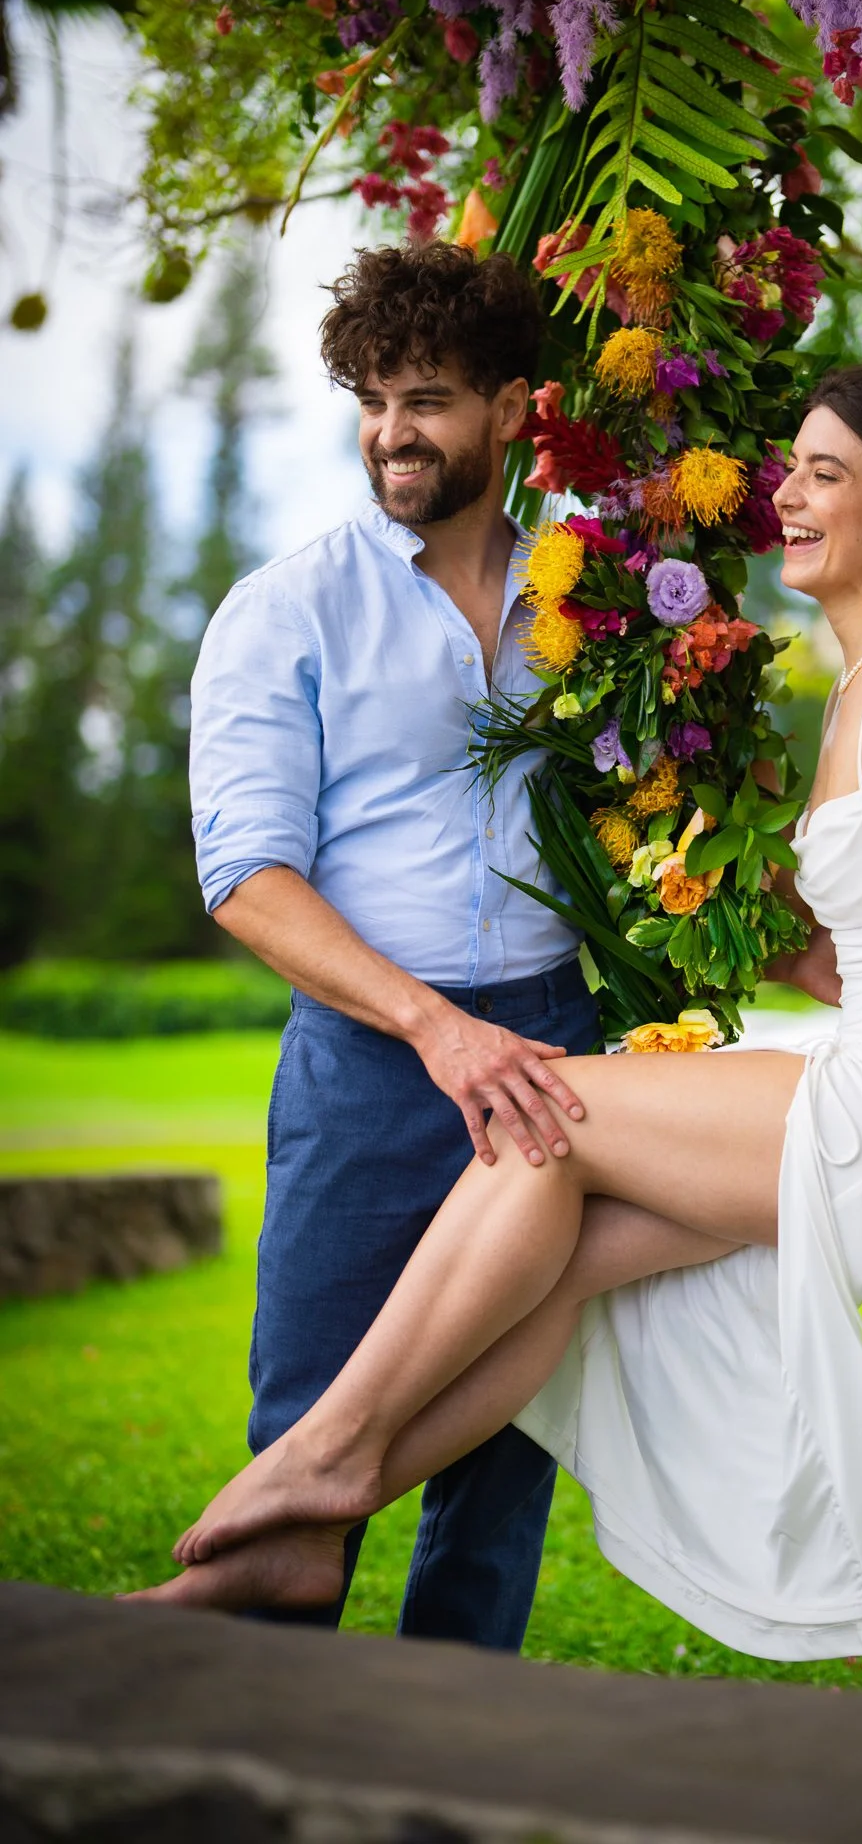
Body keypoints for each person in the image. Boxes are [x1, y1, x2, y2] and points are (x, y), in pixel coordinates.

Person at [132, 362, 862, 1662]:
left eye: (825, 474)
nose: (784, 494)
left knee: (550, 1115)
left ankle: (326, 1462)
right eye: (790, 466)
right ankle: (308, 1528)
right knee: (561, 1272)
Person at [185, 243, 602, 1647]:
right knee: (308, 1429)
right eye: (371, 401)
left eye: (425, 399)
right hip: (370, 1067)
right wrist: (436, 1028)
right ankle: (246, 1741)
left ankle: (445, 1755)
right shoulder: (288, 608)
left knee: (504, 1452)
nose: (389, 434)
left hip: (556, 1051)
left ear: (513, 408)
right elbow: (247, 876)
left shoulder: (599, 606)